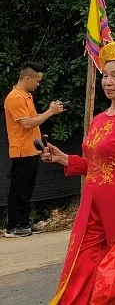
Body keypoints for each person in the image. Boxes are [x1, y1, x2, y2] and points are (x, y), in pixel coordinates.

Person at [43, 44, 115, 303]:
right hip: (92, 204)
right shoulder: (99, 119)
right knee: (82, 264)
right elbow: (95, 164)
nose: (108, 82)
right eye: (105, 75)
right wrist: (63, 159)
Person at [4, 62, 65, 238]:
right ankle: (13, 226)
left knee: (27, 188)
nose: (38, 84)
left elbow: (34, 118)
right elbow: (26, 123)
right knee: (20, 189)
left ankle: (23, 222)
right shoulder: (15, 97)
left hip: (31, 149)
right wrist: (50, 112)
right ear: (27, 78)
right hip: (21, 150)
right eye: (37, 81)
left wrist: (50, 112)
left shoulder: (26, 96)